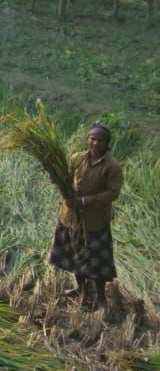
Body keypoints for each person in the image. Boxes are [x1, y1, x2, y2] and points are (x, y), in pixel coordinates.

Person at [48, 123, 124, 308]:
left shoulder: (112, 167)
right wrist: (56, 178)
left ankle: (100, 297)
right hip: (71, 217)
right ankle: (80, 289)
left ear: (107, 144)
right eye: (92, 139)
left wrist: (84, 201)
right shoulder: (77, 158)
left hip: (95, 221)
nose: (95, 143)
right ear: (87, 140)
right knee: (76, 256)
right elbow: (67, 179)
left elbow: (113, 193)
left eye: (100, 140)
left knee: (97, 262)